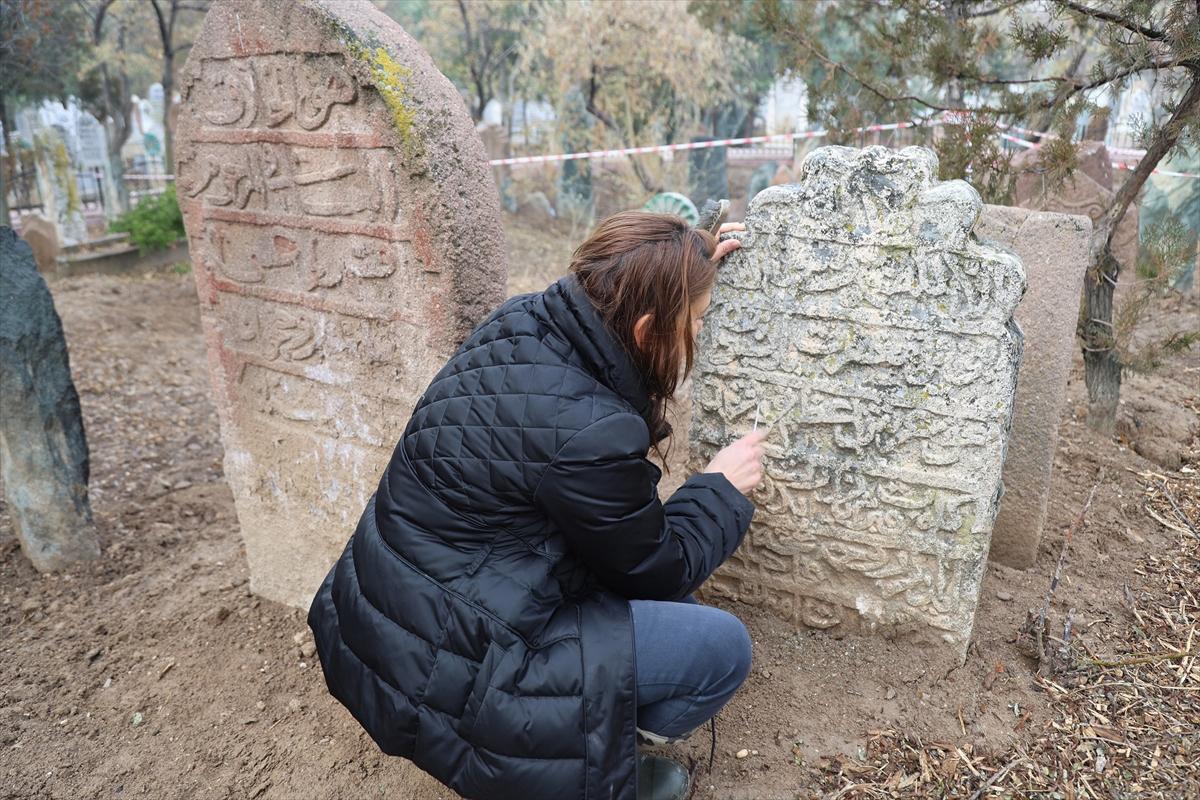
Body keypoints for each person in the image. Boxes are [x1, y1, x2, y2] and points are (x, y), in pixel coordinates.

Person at [307, 211, 765, 800]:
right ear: (648, 329)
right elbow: (658, 569)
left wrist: (687, 262)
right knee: (719, 647)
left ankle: (580, 727)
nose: (699, 332)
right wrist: (719, 488)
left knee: (669, 609)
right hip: (451, 657)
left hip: (389, 616)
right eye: (696, 320)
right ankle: (599, 757)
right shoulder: (592, 433)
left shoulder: (521, 320)